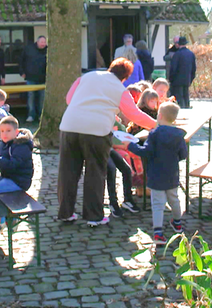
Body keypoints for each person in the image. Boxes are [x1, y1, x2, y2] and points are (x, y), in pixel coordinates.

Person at [57, 58, 157, 227]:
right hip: (96, 132)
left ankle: (65, 213)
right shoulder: (120, 89)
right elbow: (134, 115)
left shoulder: (86, 77)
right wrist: (156, 125)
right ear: (125, 77)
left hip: (69, 127)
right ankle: (93, 216)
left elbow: (69, 99)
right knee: (95, 173)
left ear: (110, 68)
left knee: (68, 172)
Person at [124, 101, 187, 245]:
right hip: (172, 174)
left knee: (158, 204)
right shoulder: (179, 135)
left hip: (155, 174)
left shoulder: (154, 134)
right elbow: (183, 154)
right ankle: (177, 222)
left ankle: (158, 232)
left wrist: (131, 145)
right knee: (174, 199)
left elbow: (145, 152)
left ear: (160, 115)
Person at [0, 116, 34, 221]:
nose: (4, 134)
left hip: (19, 181)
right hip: (8, 176)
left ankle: (6, 218)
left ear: (16, 132)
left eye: (8, 131)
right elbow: (1, 160)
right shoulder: (5, 144)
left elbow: (12, 166)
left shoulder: (21, 146)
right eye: (2, 131)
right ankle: (0, 214)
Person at [20, 36, 47, 122]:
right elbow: (21, 61)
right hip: (31, 77)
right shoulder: (29, 49)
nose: (43, 44)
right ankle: (31, 115)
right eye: (41, 42)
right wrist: (22, 72)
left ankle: (41, 115)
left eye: (44, 42)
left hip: (43, 78)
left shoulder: (48, 50)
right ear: (37, 42)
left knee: (42, 98)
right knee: (31, 97)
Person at [168, 37, 196, 109]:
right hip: (187, 79)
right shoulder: (191, 54)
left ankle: (182, 112)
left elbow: (173, 69)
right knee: (186, 97)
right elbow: (193, 69)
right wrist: (190, 79)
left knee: (179, 98)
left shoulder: (177, 54)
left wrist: (171, 79)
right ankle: (187, 110)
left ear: (178, 44)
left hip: (177, 80)